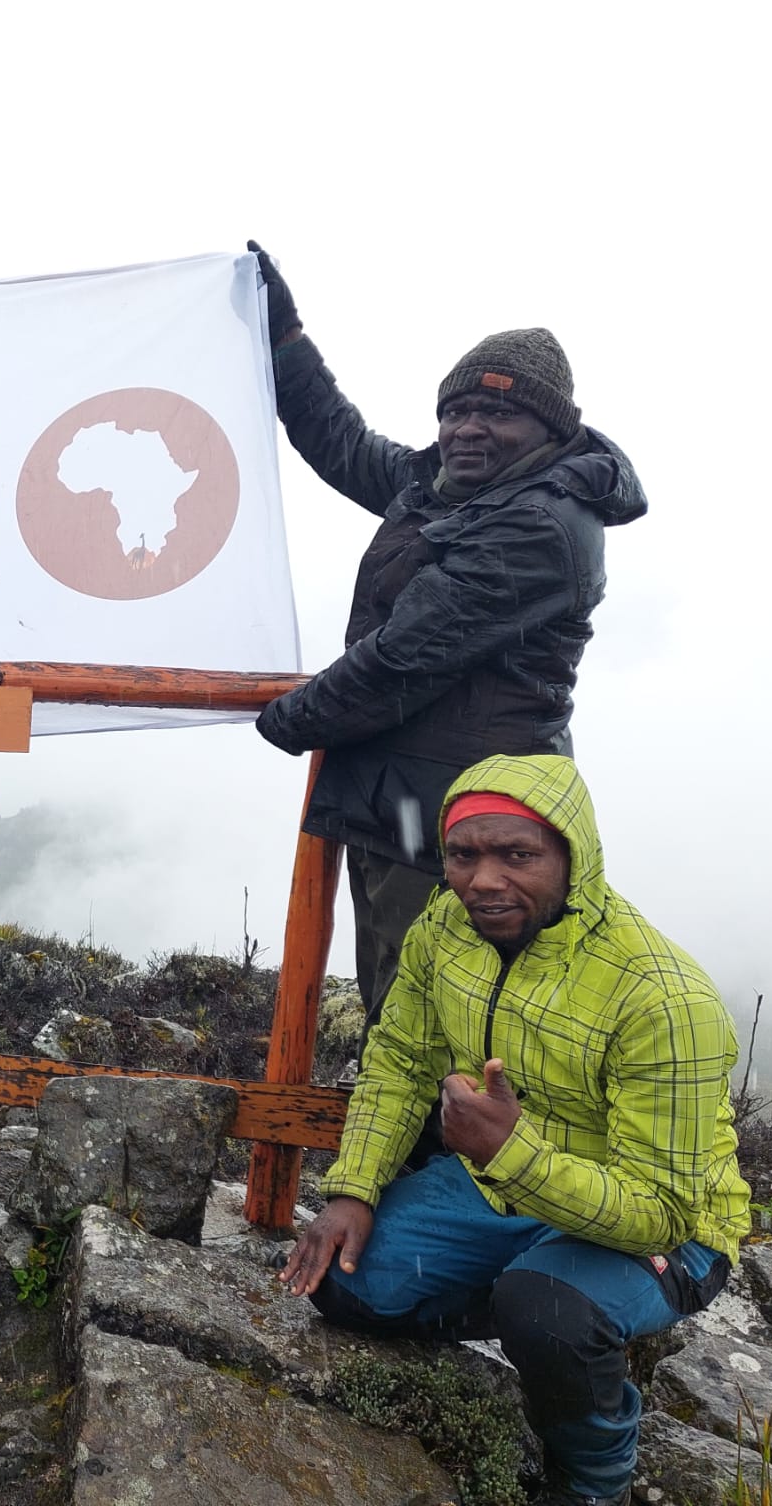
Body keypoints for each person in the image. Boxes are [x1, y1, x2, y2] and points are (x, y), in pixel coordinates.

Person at [277, 753, 748, 1506]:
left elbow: (662, 1208)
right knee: (344, 1284)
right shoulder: (448, 926)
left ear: (573, 857)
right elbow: (400, 1055)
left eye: (518, 855)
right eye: (464, 854)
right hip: (499, 1191)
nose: (484, 881)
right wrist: (354, 1190)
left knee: (551, 1312)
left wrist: (511, 1153)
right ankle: (533, 1304)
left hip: (663, 1231)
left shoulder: (662, 998)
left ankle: (594, 1478)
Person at [246, 242, 647, 1027]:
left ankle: (438, 1155)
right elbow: (341, 441)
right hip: (407, 804)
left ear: (548, 428)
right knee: (402, 1012)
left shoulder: (538, 524)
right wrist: (285, 339)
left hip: (465, 825)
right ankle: (411, 1151)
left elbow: (403, 659)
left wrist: (284, 718)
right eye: (455, 410)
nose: (468, 428)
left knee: (433, 1027)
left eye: (496, 413)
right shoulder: (450, 490)